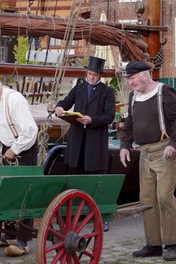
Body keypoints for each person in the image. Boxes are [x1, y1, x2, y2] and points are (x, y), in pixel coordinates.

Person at [119, 61, 176, 262]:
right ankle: (154, 244)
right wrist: (124, 145)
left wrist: (174, 144)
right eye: (128, 79)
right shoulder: (134, 97)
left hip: (164, 152)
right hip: (145, 154)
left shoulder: (164, 92)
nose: (130, 83)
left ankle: (172, 244)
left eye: (132, 78)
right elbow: (129, 125)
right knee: (147, 200)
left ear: (145, 75)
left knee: (164, 197)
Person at [0, 71, 38, 257]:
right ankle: (10, 235)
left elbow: (30, 131)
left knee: (26, 194)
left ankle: (23, 240)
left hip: (25, 148)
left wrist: (15, 150)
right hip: (7, 149)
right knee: (8, 192)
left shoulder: (15, 100)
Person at [55, 56, 115, 231]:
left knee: (97, 180)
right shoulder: (79, 88)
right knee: (78, 178)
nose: (91, 77)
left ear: (100, 75)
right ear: (86, 73)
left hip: (95, 143)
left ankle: (101, 217)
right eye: (89, 74)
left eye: (95, 75)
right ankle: (78, 215)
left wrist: (93, 120)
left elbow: (110, 116)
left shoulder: (107, 92)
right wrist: (59, 107)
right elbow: (66, 102)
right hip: (78, 142)